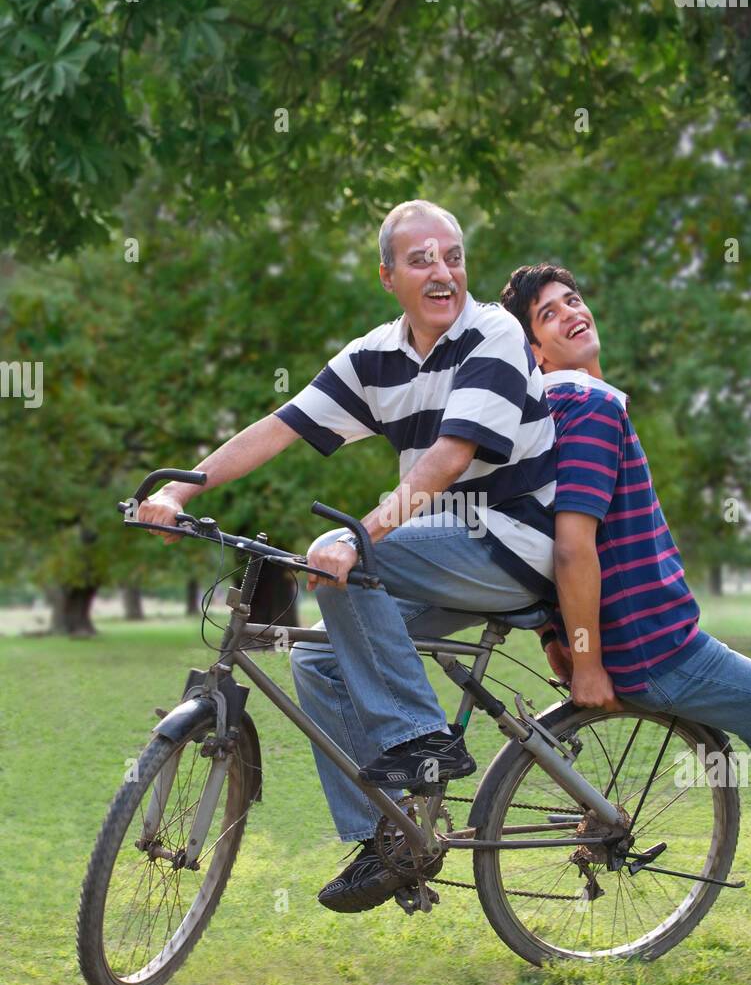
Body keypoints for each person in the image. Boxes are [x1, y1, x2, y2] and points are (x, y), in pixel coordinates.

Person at [138, 202, 557, 912]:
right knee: (316, 659)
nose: (442, 271)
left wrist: (360, 536)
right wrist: (179, 486)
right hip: (449, 552)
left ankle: (423, 743)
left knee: (344, 556)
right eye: (421, 259)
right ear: (388, 274)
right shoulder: (375, 357)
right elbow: (278, 428)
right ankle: (388, 839)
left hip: (513, 541)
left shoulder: (492, 334)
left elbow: (446, 463)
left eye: (452, 256)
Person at [500, 262, 751, 837]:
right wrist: (586, 662)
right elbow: (571, 549)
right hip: (661, 649)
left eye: (572, 300)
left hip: (648, 644)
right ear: (535, 351)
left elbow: (538, 538)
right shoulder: (590, 406)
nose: (572, 312)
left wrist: (556, 636)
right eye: (549, 313)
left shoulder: (551, 412)